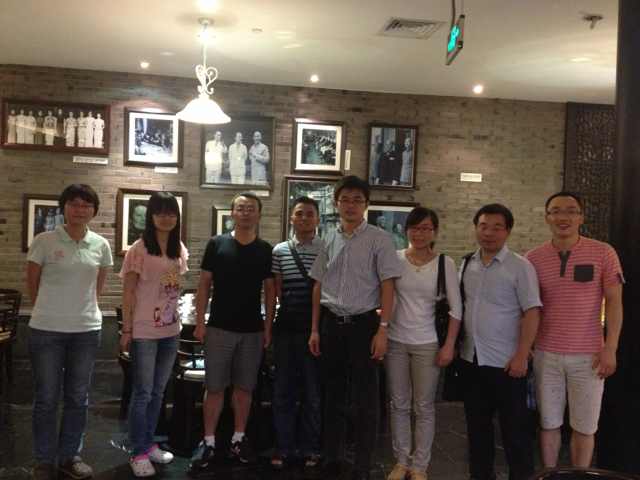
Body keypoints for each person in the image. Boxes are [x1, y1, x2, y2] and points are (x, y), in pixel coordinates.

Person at [309, 175, 402, 480]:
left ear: (366, 204)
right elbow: (318, 284)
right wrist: (315, 329)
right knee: (332, 395)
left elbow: (388, 286)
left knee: (366, 399)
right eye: (345, 200)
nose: (350, 205)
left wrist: (383, 329)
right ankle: (332, 457)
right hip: (331, 324)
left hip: (364, 325)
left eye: (357, 200)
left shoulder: (379, 239)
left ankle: (363, 463)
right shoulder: (328, 237)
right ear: (336, 203)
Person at [525, 192, 624, 468]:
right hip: (546, 354)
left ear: (581, 217)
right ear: (547, 217)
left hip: (589, 356)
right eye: (556, 211)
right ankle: (549, 474)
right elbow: (529, 309)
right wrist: (526, 346)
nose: (563, 217)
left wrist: (611, 347)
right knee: (548, 424)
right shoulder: (532, 258)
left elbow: (615, 302)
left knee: (585, 427)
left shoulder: (603, 252)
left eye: (571, 210)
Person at [26, 184, 113, 480]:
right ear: (64, 207)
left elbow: (98, 286)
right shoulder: (44, 241)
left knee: (78, 397)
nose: (80, 209)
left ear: (94, 210)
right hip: (46, 330)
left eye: (86, 205)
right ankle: (43, 460)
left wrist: (83, 310)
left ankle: (70, 456)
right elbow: (32, 283)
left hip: (86, 331)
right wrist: (50, 310)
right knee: (47, 398)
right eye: (74, 204)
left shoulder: (100, 244)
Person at [190, 193, 276, 474]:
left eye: (251, 209)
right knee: (214, 387)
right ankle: (209, 441)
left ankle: (238, 439)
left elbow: (270, 291)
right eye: (241, 208)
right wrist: (200, 322)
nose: (245, 213)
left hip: (252, 331)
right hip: (218, 327)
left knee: (244, 388)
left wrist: (268, 327)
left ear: (258, 214)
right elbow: (204, 284)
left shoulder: (265, 249)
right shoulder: (217, 244)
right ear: (233, 213)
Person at [459, 203, 542, 480]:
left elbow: (532, 311)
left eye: (497, 227)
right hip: (472, 360)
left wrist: (522, 354)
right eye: (483, 226)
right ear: (476, 228)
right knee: (477, 432)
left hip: (508, 363)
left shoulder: (520, 266)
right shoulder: (467, 263)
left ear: (507, 231)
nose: (489, 233)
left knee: (515, 433)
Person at [385, 207, 462, 480]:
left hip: (427, 343)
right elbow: (385, 297)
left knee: (424, 407)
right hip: (395, 341)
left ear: (434, 232)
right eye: (415, 228)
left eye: (426, 228)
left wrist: (449, 344)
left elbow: (456, 309)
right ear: (406, 230)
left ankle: (420, 466)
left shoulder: (444, 263)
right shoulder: (394, 259)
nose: (419, 234)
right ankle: (401, 461)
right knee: (398, 404)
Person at [120, 192, 189, 477]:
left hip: (171, 330)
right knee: (143, 392)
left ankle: (149, 444)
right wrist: (127, 328)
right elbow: (128, 292)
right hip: (144, 331)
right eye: (160, 212)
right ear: (151, 216)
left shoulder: (178, 248)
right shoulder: (139, 249)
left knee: (159, 391)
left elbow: (174, 287)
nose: (166, 218)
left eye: (171, 213)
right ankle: (137, 451)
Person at [270, 197, 323, 471]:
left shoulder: (326, 248)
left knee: (313, 392)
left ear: (317, 219)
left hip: (316, 330)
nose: (304, 218)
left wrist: (315, 328)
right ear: (291, 218)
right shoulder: (279, 251)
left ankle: (311, 447)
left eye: (309, 214)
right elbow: (276, 290)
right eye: (299, 214)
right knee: (283, 390)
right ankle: (284, 446)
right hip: (286, 329)